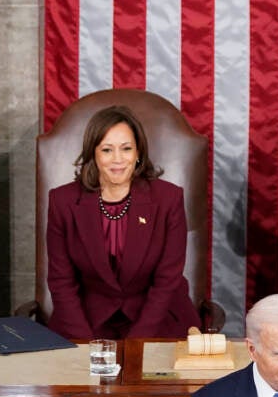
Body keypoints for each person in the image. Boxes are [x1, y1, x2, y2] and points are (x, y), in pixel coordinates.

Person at [46, 105, 200, 339]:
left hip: (158, 320)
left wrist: (137, 344)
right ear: (93, 154)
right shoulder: (62, 201)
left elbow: (167, 281)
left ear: (138, 153)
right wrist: (86, 344)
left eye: (126, 149)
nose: (117, 160)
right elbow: (61, 282)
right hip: (87, 320)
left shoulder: (169, 198)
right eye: (107, 150)